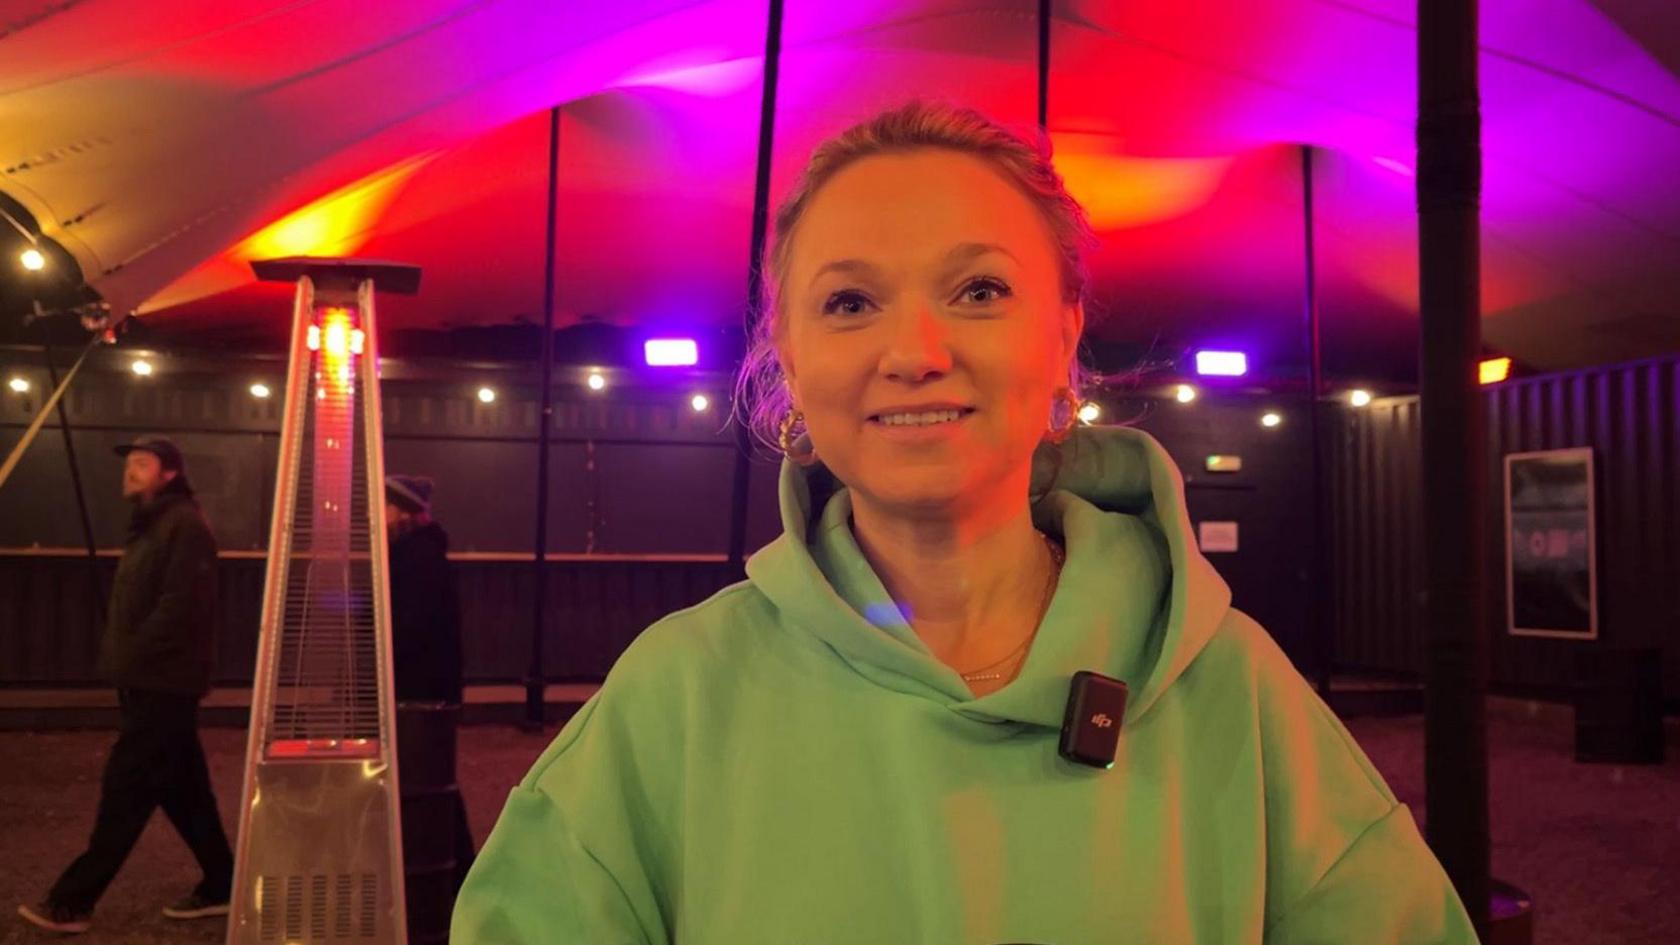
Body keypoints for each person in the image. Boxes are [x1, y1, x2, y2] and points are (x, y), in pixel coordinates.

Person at [452, 102, 1476, 943]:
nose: (917, 351)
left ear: (1064, 335)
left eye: (978, 289)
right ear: (791, 365)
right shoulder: (675, 696)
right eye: (851, 302)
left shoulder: (1232, 690)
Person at [19, 436, 234, 934]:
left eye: (142, 463)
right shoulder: (153, 525)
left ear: (169, 474)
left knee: (127, 790)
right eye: (130, 464)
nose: (130, 471)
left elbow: (181, 607)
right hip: (147, 678)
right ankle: (222, 882)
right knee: (185, 791)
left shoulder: (184, 527)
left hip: (163, 682)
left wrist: (133, 653)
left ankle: (72, 901)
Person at [385, 473, 475, 888]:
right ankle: (460, 871)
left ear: (403, 512)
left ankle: (458, 872)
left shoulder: (415, 557)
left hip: (419, 690)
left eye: (385, 507)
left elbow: (409, 629)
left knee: (430, 783)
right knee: (432, 782)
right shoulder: (417, 552)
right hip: (425, 687)